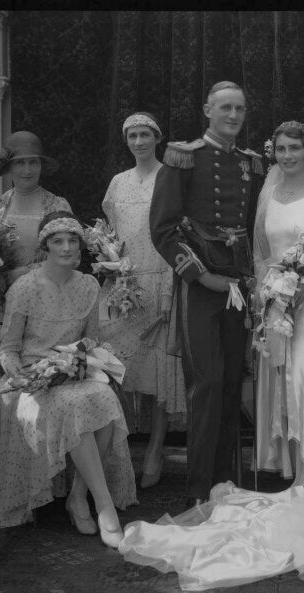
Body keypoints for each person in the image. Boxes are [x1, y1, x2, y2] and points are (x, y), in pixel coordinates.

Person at [118, 121, 304, 590]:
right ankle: (292, 475)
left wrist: (303, 285)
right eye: (281, 147)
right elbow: (257, 251)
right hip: (276, 305)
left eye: (296, 147)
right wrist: (271, 291)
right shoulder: (266, 189)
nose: (288, 154)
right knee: (280, 385)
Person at [0, 211, 137, 547]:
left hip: (75, 372)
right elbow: (7, 350)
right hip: (34, 380)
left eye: (72, 240)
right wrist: (18, 370)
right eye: (58, 241)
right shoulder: (24, 288)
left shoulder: (88, 285)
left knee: (105, 398)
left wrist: (97, 361)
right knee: (79, 404)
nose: (66, 247)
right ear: (46, 247)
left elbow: (92, 341)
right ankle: (105, 506)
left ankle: (79, 496)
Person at [149, 81, 263, 508]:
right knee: (207, 384)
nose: (233, 116)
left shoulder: (252, 165)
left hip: (239, 283)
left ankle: (225, 482)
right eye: (225, 108)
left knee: (233, 382)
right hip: (201, 286)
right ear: (207, 110)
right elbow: (162, 230)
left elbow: (253, 225)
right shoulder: (183, 157)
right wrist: (200, 276)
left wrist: (249, 277)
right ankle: (199, 490)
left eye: (240, 108)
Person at [99, 112, 186, 489]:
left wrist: (170, 288)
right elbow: (110, 233)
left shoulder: (169, 177)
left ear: (157, 137)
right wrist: (112, 266)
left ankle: (155, 449)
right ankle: (116, 453)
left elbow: (176, 236)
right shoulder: (117, 183)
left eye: (145, 134)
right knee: (120, 372)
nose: (139, 141)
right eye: (132, 135)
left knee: (159, 376)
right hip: (123, 286)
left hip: (160, 280)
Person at [0, 131, 72, 456]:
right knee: (6, 389)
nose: (27, 170)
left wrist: (20, 274)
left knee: (38, 389)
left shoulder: (56, 205)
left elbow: (65, 260)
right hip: (0, 311)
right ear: (9, 167)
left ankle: (44, 471)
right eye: (20, 164)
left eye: (33, 163)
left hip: (42, 313)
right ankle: (5, 470)